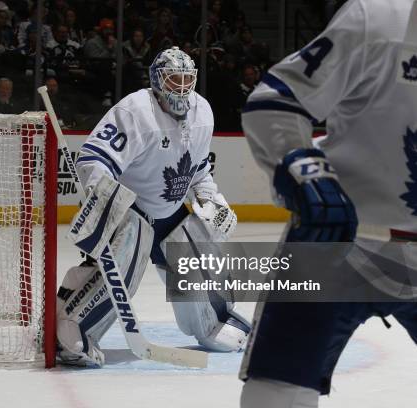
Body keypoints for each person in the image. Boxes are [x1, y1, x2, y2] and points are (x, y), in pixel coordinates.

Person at [240, 0, 417, 406]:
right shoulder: (376, 18)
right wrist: (304, 170)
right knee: (278, 388)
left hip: (341, 237)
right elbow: (276, 101)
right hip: (339, 240)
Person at [56, 46, 251, 366]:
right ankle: (74, 324)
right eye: (174, 79)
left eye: (188, 80)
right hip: (129, 211)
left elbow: (197, 170)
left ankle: (214, 320)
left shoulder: (202, 113)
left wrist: (212, 203)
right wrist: (104, 199)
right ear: (157, 81)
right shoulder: (136, 111)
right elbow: (94, 158)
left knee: (199, 253)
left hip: (169, 208)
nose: (182, 87)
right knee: (124, 266)